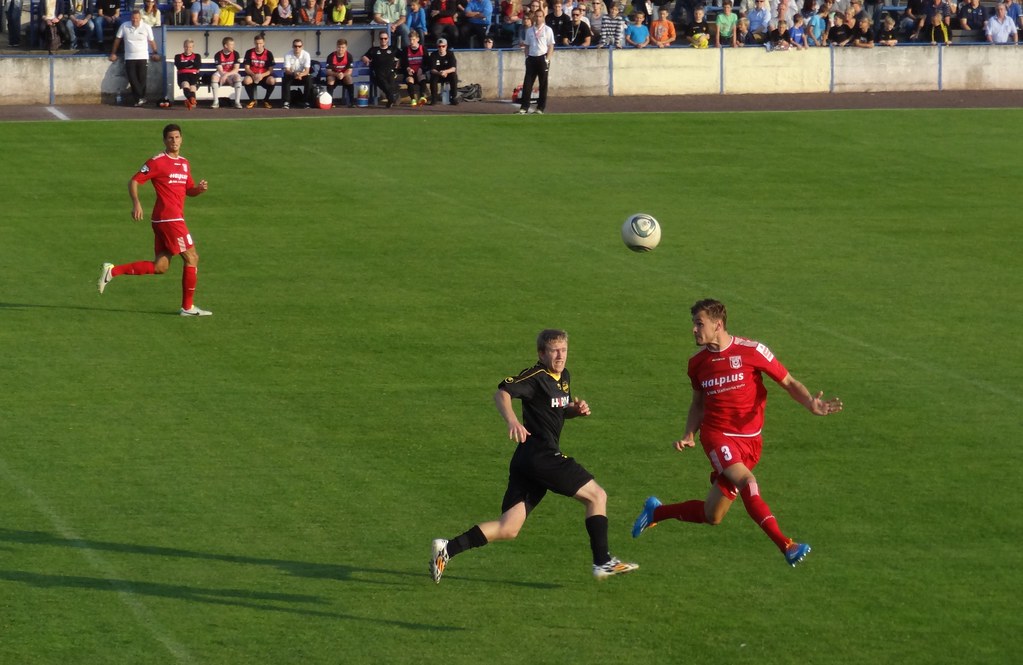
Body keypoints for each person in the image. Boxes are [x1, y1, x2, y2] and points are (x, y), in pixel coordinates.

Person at [631, 299, 843, 567]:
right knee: (748, 482)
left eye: (700, 324)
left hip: (751, 442)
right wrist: (689, 434)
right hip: (718, 436)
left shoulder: (753, 351)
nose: (694, 330)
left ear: (718, 324)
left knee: (713, 515)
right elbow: (698, 403)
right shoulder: (697, 364)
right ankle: (787, 545)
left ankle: (656, 512)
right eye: (694, 324)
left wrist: (810, 403)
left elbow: (788, 382)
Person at [429, 329, 640, 584]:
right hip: (542, 455)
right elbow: (502, 392)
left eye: (564, 349)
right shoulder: (535, 376)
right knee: (597, 496)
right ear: (542, 353)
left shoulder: (563, 376)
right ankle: (602, 561)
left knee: (508, 528)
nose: (561, 355)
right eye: (554, 350)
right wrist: (513, 421)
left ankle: (447, 549)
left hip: (527, 460)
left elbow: (558, 411)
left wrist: (575, 410)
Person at [98, 124, 212, 317]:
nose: (174, 141)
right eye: (170, 138)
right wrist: (136, 203)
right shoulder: (157, 162)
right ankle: (188, 307)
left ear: (182, 139)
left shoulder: (184, 163)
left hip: (166, 220)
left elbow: (188, 190)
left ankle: (112, 271)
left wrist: (198, 190)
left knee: (161, 266)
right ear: (164, 141)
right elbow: (134, 181)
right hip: (169, 218)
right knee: (192, 257)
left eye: (177, 137)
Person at [109, 10, 159, 106]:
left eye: (136, 18)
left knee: (142, 79)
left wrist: (155, 52)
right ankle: (141, 97)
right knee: (132, 79)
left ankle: (138, 100)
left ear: (140, 18)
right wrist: (113, 53)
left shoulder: (146, 27)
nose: (134, 20)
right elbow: (117, 39)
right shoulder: (124, 26)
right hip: (129, 57)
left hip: (143, 56)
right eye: (133, 18)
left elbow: (151, 41)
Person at [517, 8, 554, 113]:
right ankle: (524, 107)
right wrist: (527, 57)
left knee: (543, 84)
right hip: (532, 58)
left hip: (542, 57)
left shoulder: (547, 30)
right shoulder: (529, 30)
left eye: (540, 16)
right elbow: (527, 45)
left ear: (543, 17)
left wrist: (547, 59)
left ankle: (540, 108)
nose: (538, 18)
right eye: (536, 16)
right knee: (527, 83)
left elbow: (551, 46)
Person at [361, 31, 401, 107]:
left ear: (388, 39)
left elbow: (403, 55)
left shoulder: (393, 49)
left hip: (390, 72)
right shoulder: (374, 50)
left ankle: (390, 99)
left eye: (385, 38)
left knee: (390, 83)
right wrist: (365, 59)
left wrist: (399, 61)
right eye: (381, 38)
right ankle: (393, 96)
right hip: (378, 73)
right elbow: (364, 56)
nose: (383, 40)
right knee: (383, 82)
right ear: (379, 39)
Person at [242, 33, 276, 108]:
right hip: (252, 75)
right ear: (254, 43)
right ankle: (252, 100)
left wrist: (261, 76)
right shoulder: (249, 52)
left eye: (260, 43)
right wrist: (253, 75)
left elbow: (271, 70)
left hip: (264, 76)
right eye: (257, 43)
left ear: (264, 43)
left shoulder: (268, 53)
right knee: (246, 80)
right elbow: (247, 68)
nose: (258, 45)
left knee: (272, 81)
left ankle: (266, 100)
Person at [211, 35, 244, 108]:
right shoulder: (218, 54)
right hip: (221, 73)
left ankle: (237, 102)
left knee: (238, 78)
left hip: (231, 72)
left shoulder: (236, 53)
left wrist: (227, 76)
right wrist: (225, 76)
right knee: (214, 77)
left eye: (233, 44)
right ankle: (216, 102)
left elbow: (236, 69)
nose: (233, 46)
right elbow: (220, 70)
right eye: (231, 45)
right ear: (226, 45)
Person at [425, 36, 458, 104]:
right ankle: (434, 98)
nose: (441, 48)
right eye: (439, 46)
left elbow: (453, 68)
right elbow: (432, 69)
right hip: (437, 74)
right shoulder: (433, 55)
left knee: (454, 76)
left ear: (446, 46)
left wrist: (445, 71)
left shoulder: (450, 54)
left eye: (443, 46)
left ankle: (453, 97)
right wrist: (440, 73)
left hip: (447, 74)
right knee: (433, 77)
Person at [281, 37, 312, 108]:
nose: (297, 48)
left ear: (302, 47)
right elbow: (287, 70)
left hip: (302, 76)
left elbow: (307, 71)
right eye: (295, 46)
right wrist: (294, 74)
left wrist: (301, 74)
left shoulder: (306, 55)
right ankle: (286, 102)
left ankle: (306, 101)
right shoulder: (287, 55)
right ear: (292, 46)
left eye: (299, 46)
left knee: (309, 79)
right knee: (285, 78)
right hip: (291, 75)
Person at [325, 37, 356, 107]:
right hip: (334, 76)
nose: (341, 49)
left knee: (349, 78)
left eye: (343, 47)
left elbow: (349, 71)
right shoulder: (331, 56)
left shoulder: (349, 56)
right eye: (339, 47)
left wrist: (343, 74)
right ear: (336, 47)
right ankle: (330, 102)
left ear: (346, 48)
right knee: (330, 79)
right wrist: (337, 74)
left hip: (344, 76)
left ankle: (352, 102)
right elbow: (328, 71)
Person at [402, 29, 429, 106]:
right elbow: (404, 63)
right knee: (410, 80)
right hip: (410, 71)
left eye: (413, 39)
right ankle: (413, 99)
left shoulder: (423, 49)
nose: (411, 42)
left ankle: (421, 97)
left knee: (422, 77)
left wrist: (422, 68)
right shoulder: (406, 50)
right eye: (410, 40)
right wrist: (408, 68)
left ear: (418, 39)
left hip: (420, 71)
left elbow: (427, 62)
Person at [174, 39, 202, 109]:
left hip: (194, 74)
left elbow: (197, 65)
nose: (188, 48)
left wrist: (185, 64)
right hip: (182, 74)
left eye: (190, 47)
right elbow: (179, 65)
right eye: (186, 47)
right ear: (184, 47)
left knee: (192, 87)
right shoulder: (178, 56)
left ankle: (190, 102)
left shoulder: (197, 56)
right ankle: (191, 100)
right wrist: (191, 63)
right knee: (185, 84)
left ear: (192, 47)